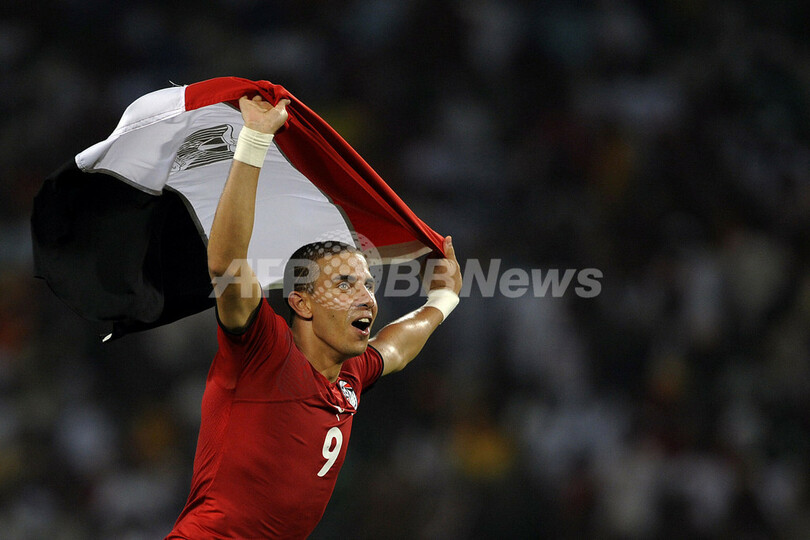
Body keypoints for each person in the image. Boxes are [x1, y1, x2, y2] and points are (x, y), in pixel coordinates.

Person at [165, 95, 462, 539]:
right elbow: (226, 265)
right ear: (301, 304)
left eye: (368, 285)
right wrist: (254, 141)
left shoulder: (349, 376)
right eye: (344, 284)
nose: (367, 298)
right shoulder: (264, 353)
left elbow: (395, 348)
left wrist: (443, 299)